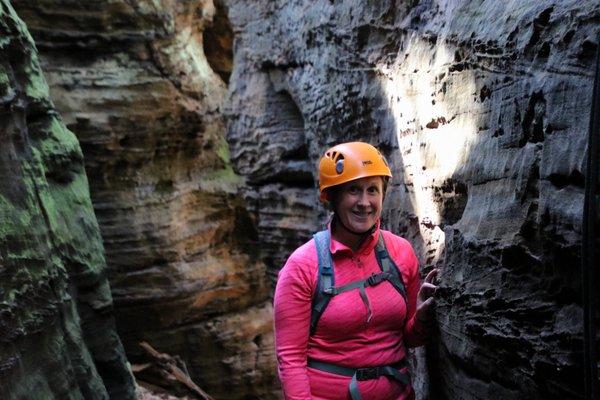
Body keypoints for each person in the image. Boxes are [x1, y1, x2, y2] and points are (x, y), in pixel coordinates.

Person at [274, 141, 438, 400]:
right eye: (353, 190)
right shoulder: (302, 266)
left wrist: (422, 318)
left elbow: (410, 337)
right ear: (333, 197)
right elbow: (290, 360)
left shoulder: (401, 253)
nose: (364, 202)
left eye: (372, 190)